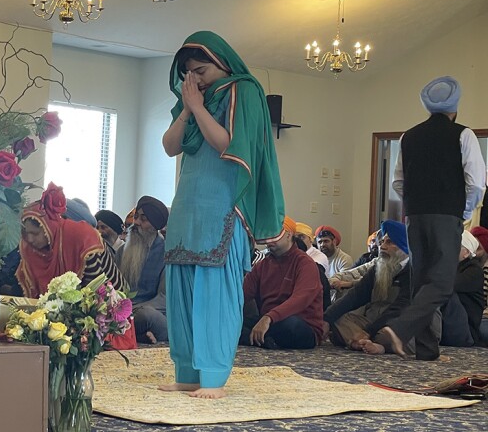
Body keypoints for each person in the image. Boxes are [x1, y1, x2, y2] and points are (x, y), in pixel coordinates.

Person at [159, 31, 284, 399]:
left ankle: (213, 378)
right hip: (187, 207)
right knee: (181, 292)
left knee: (214, 294)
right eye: (189, 74)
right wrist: (187, 107)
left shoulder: (242, 90)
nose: (195, 79)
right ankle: (187, 372)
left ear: (222, 63)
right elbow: (169, 147)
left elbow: (229, 145)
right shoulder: (195, 99)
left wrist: (198, 107)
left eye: (201, 70)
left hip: (222, 208)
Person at [379, 76, 487, 360]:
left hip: (414, 216)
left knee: (422, 281)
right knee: (440, 283)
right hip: (446, 216)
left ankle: (426, 351)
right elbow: (476, 183)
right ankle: (399, 330)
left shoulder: (407, 137)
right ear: (456, 107)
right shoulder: (464, 135)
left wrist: (415, 206)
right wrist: (462, 213)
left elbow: (397, 182)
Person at [16, 184, 128, 298]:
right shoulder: (30, 248)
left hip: (112, 303)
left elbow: (95, 290)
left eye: (35, 233)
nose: (29, 239)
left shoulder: (83, 239)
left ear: (49, 228)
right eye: (26, 233)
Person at [323, 221, 413, 352]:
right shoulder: (378, 268)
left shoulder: (413, 272)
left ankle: (373, 345)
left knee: (389, 335)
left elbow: (400, 308)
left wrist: (368, 331)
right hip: (372, 322)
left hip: (398, 323)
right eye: (382, 242)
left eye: (389, 242)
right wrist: (326, 318)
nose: (382, 247)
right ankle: (366, 343)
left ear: (403, 247)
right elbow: (355, 295)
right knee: (338, 319)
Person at [241, 217, 324, 350]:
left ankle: (258, 339)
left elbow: (300, 300)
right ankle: (266, 341)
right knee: (229, 323)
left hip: (299, 324)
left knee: (291, 325)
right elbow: (243, 294)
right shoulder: (261, 265)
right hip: (268, 321)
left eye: (273, 234)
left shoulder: (305, 263)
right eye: (266, 235)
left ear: (288, 234)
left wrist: (269, 317)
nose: (268, 239)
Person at [118, 196, 169, 344]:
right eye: (136, 216)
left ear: (154, 225)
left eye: (143, 219)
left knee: (147, 316)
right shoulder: (122, 251)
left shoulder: (166, 253)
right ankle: (140, 336)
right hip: (122, 313)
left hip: (150, 312)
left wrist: (132, 309)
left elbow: (164, 299)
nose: (136, 222)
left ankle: (132, 333)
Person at [439, 230, 486, 347]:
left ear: (466, 253)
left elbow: (445, 286)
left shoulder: (474, 271)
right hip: (447, 326)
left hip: (466, 332)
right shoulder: (451, 268)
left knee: (444, 293)